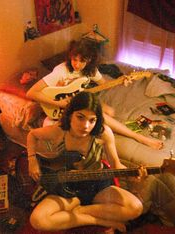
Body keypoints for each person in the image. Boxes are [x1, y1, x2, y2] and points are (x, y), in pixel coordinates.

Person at [26, 92, 143, 232]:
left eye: (92, 120)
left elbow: (116, 165)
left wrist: (133, 176)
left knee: (135, 208)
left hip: (98, 185)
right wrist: (32, 160)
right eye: (80, 117)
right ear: (70, 115)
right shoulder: (59, 131)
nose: (86, 126)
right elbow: (32, 135)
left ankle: (80, 212)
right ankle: (95, 219)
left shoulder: (103, 133)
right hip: (68, 187)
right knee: (38, 220)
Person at [26, 39, 163, 150]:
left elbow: (104, 84)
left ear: (89, 60)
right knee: (101, 115)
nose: (77, 64)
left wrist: (120, 82)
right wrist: (58, 103)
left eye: (82, 60)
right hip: (59, 106)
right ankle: (139, 138)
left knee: (109, 111)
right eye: (74, 59)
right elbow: (31, 93)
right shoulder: (61, 71)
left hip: (79, 98)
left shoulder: (91, 71)